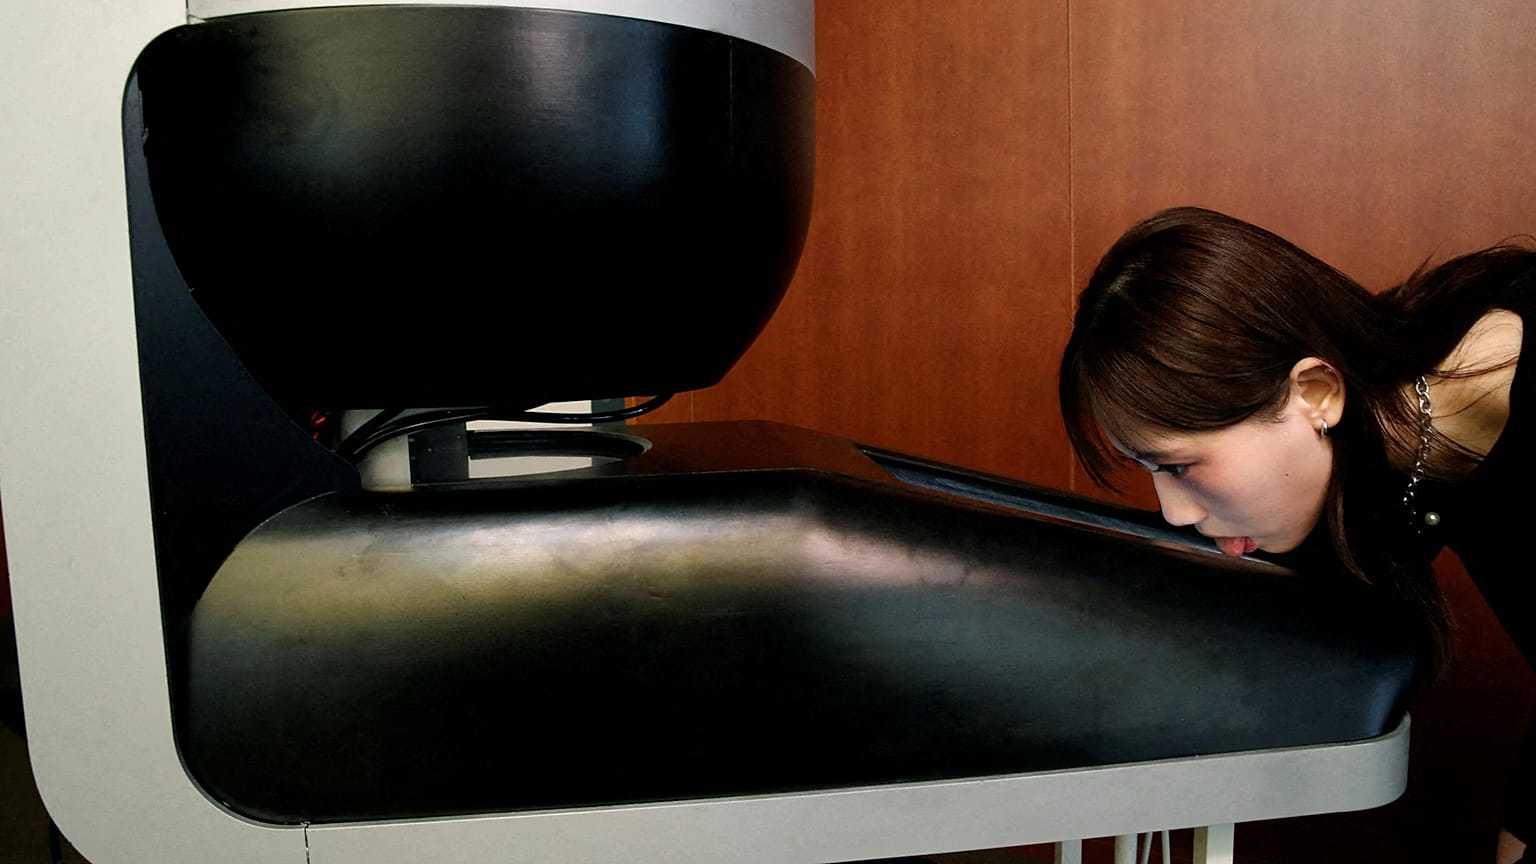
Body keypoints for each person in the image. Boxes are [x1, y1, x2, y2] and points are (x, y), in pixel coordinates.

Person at [1058, 206, 1536, 864]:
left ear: (1314, 392)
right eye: (1149, 470)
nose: (1174, 511)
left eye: (1180, 465)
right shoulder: (1367, 447)